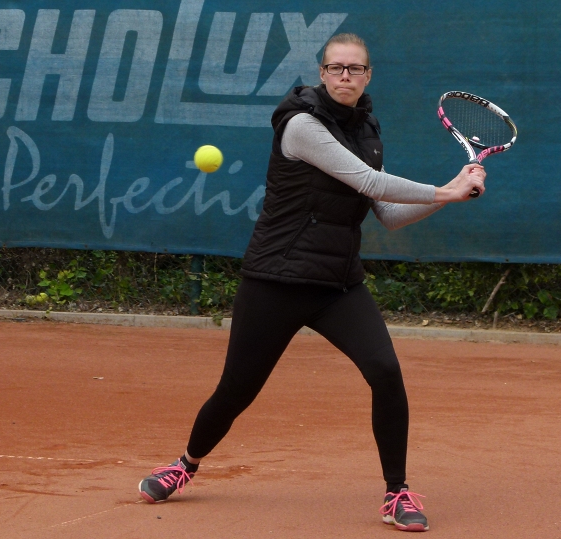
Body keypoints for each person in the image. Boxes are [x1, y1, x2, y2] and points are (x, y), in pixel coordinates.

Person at [138, 33, 486, 533]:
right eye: (336, 67)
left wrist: (452, 192)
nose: (345, 75)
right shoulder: (301, 125)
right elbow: (368, 182)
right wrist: (446, 191)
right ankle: (184, 464)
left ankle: (397, 493)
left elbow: (387, 212)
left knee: (385, 372)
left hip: (337, 284)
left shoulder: (367, 129)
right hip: (276, 279)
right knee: (237, 389)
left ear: (367, 76)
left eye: (355, 68)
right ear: (322, 73)